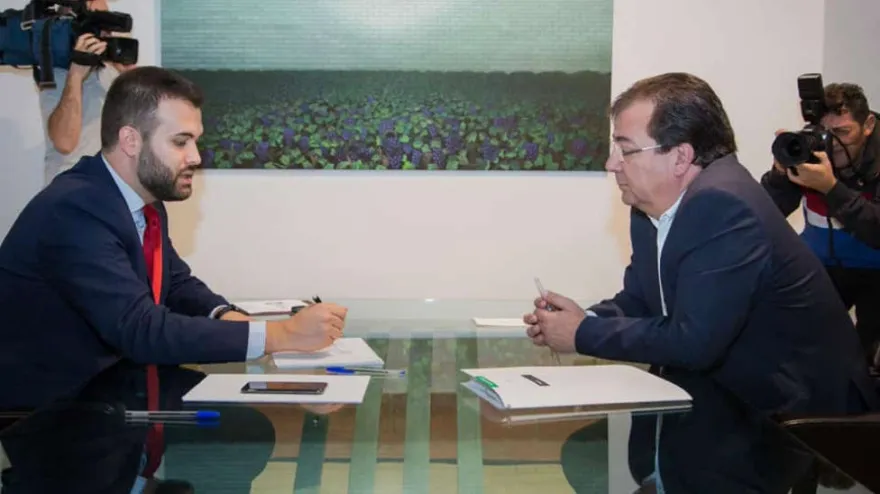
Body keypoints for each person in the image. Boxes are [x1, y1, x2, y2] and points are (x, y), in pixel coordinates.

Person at [523, 72, 879, 493]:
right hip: (731, 392)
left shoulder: (722, 204)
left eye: (626, 149)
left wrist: (581, 334)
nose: (611, 164)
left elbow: (694, 341)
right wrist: (586, 317)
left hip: (794, 417)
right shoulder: (651, 207)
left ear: (680, 157)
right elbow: (642, 298)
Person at [0, 65, 348, 411]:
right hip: (46, 415)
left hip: (110, 393)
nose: (195, 157)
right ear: (131, 141)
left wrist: (231, 318)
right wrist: (280, 336)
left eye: (195, 141)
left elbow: (175, 283)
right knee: (241, 430)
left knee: (244, 429)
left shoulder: (141, 198)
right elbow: (140, 329)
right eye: (180, 142)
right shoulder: (76, 209)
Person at [760, 82, 880, 369]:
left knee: (867, 359)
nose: (832, 144)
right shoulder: (812, 152)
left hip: (876, 270)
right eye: (825, 133)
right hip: (822, 265)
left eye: (843, 132)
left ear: (868, 125)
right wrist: (780, 174)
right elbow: (766, 214)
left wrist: (831, 188)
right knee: (799, 347)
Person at [39, 0, 136, 184]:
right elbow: (64, 143)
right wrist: (76, 74)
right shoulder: (56, 71)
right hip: (70, 188)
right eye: (98, 23)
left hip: (107, 186)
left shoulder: (110, 69)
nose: (105, 33)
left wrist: (127, 72)